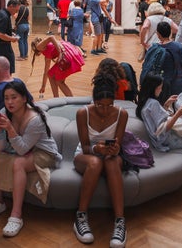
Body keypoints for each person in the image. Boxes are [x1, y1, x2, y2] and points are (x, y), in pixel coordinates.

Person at [0, 81, 62, 237]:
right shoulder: (4, 112)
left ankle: (16, 215)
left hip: (44, 153)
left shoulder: (35, 119)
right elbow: (0, 147)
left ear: (25, 98)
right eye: (6, 98)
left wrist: (10, 129)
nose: (9, 102)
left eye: (14, 97)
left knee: (19, 163)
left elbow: (22, 150)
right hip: (22, 149)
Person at [73, 74, 128, 247]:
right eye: (100, 105)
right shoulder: (83, 113)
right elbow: (85, 147)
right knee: (95, 162)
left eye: (109, 105)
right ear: (93, 101)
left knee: (111, 161)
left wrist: (114, 149)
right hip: (87, 155)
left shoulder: (122, 114)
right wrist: (97, 149)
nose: (104, 110)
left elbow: (118, 145)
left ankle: (120, 222)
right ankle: (80, 216)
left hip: (111, 157)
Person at [155, 21, 182, 99]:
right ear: (170, 32)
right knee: (179, 105)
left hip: (161, 83)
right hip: (178, 81)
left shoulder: (155, 48)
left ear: (158, 34)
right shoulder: (178, 46)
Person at [0, 0, 20, 73]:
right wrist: (12, 39)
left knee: (1, 69)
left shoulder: (2, 13)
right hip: (2, 47)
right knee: (6, 70)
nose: (16, 12)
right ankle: (6, 84)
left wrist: (11, 34)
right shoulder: (4, 16)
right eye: (16, 10)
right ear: (11, 6)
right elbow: (0, 34)